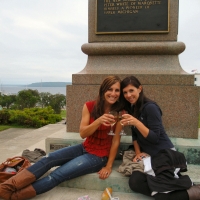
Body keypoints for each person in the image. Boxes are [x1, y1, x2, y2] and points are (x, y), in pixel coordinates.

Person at [0, 75, 123, 200]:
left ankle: (14, 196)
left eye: (117, 90)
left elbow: (115, 141)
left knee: (57, 174)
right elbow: (83, 133)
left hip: (98, 157)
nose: (113, 93)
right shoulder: (89, 106)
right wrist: (98, 121)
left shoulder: (120, 113)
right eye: (110, 89)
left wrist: (108, 165)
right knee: (48, 158)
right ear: (103, 90)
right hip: (84, 147)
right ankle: (5, 188)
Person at [120, 76, 200, 200]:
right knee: (135, 182)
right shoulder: (132, 108)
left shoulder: (150, 107)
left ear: (139, 89)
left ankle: (194, 191)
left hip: (164, 155)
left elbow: (154, 138)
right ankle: (165, 191)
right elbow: (135, 135)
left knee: (162, 195)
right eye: (125, 92)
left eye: (131, 90)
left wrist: (136, 122)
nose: (128, 95)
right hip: (148, 158)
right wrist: (138, 153)